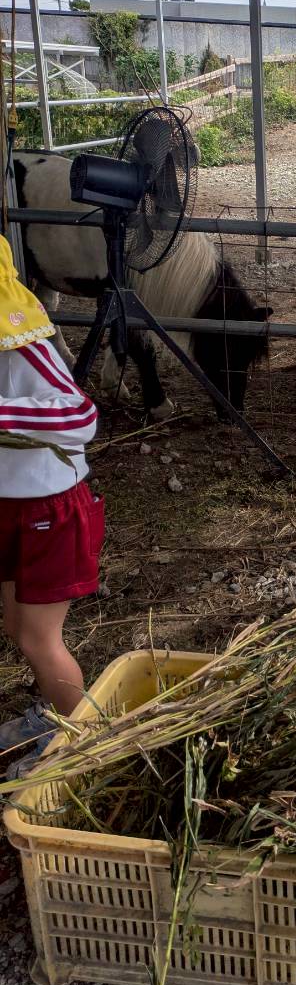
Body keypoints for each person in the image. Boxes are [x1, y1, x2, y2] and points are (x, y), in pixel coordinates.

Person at [0, 235, 103, 779]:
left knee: (41, 638)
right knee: (17, 626)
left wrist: (3, 415)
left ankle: (87, 747)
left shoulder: (25, 344)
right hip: (9, 504)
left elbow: (82, 417)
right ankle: (51, 718)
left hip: (48, 505)